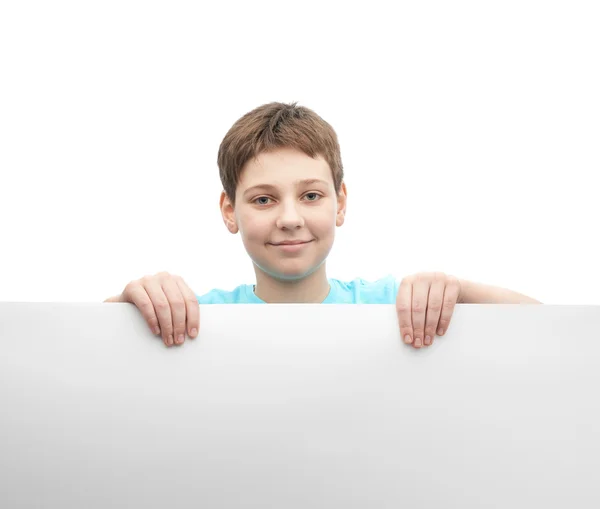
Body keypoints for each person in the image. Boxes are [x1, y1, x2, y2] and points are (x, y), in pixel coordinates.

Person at [105, 102, 541, 349]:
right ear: (229, 211)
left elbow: (549, 327)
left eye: (311, 195)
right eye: (263, 199)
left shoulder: (394, 308)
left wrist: (458, 291)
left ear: (340, 202)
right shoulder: (195, 318)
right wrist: (130, 300)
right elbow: (80, 352)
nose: (290, 218)